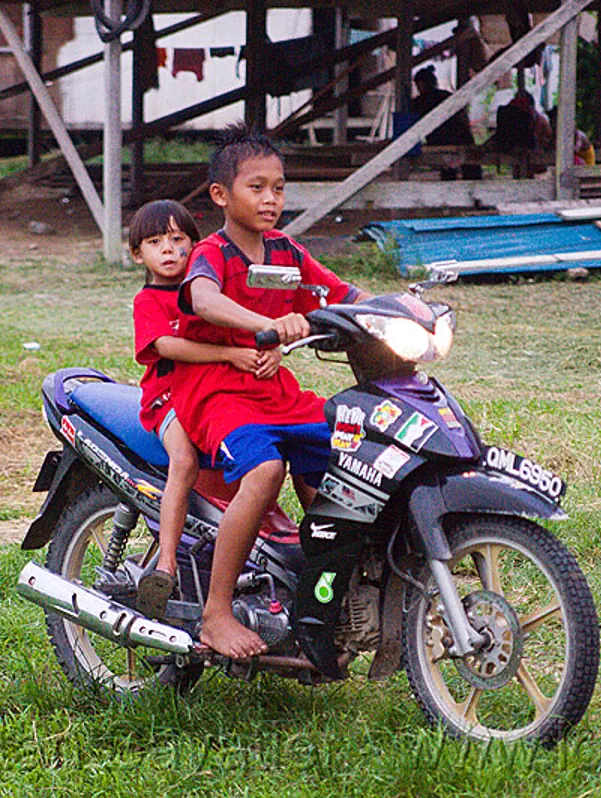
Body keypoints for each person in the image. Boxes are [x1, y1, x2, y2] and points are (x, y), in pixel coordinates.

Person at [174, 124, 368, 660]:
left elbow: (342, 292)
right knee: (265, 472)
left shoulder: (286, 251)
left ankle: (324, 584)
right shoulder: (211, 253)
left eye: (278, 188)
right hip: (215, 392)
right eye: (256, 187)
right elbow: (204, 300)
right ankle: (215, 613)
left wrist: (400, 311)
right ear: (221, 195)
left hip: (274, 388)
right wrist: (267, 322)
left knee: (349, 456)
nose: (270, 199)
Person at [128, 199, 277, 619]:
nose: (170, 250)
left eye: (178, 240)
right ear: (138, 254)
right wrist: (227, 355)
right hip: (168, 398)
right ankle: (167, 562)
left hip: (214, 393)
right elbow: (166, 347)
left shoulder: (207, 293)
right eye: (156, 242)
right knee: (185, 461)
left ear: (196, 245)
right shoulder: (149, 301)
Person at [411, 65, 482, 180]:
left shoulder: (419, 102)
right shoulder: (447, 96)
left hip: (440, 142)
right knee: (471, 170)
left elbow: (411, 127)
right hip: (462, 139)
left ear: (421, 84)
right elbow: (463, 118)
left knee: (448, 171)